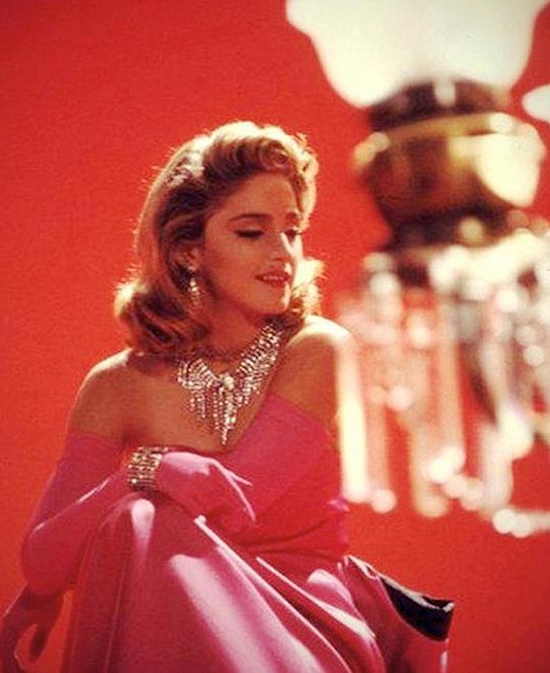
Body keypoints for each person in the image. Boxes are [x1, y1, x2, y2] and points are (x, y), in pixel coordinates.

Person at [0, 121, 453, 672]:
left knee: (144, 518)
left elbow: (231, 505)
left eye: (292, 230)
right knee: (139, 514)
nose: (282, 253)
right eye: (252, 232)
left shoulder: (317, 349)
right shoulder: (117, 384)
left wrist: (147, 483)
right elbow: (43, 564)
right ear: (189, 250)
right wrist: (144, 471)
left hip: (299, 622)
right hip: (166, 626)